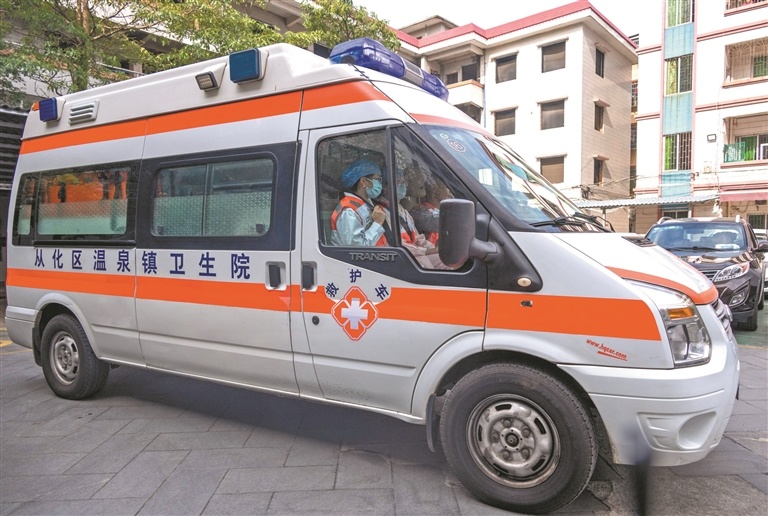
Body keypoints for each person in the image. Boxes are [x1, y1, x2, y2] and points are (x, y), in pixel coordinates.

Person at [375, 170, 447, 269]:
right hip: (404, 258)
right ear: (385, 186)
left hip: (415, 254)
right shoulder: (381, 212)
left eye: (404, 182)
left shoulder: (402, 210)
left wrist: (433, 249)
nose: (403, 186)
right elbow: (395, 245)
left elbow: (417, 237)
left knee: (447, 262)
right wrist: (426, 251)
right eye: (399, 182)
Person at [330, 159, 388, 246]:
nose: (380, 184)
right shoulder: (348, 211)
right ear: (364, 181)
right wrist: (377, 223)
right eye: (377, 179)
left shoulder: (365, 203)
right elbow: (357, 247)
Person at [410, 176, 453, 246]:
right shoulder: (419, 213)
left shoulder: (439, 210)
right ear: (435, 191)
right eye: (447, 188)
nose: (450, 192)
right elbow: (438, 222)